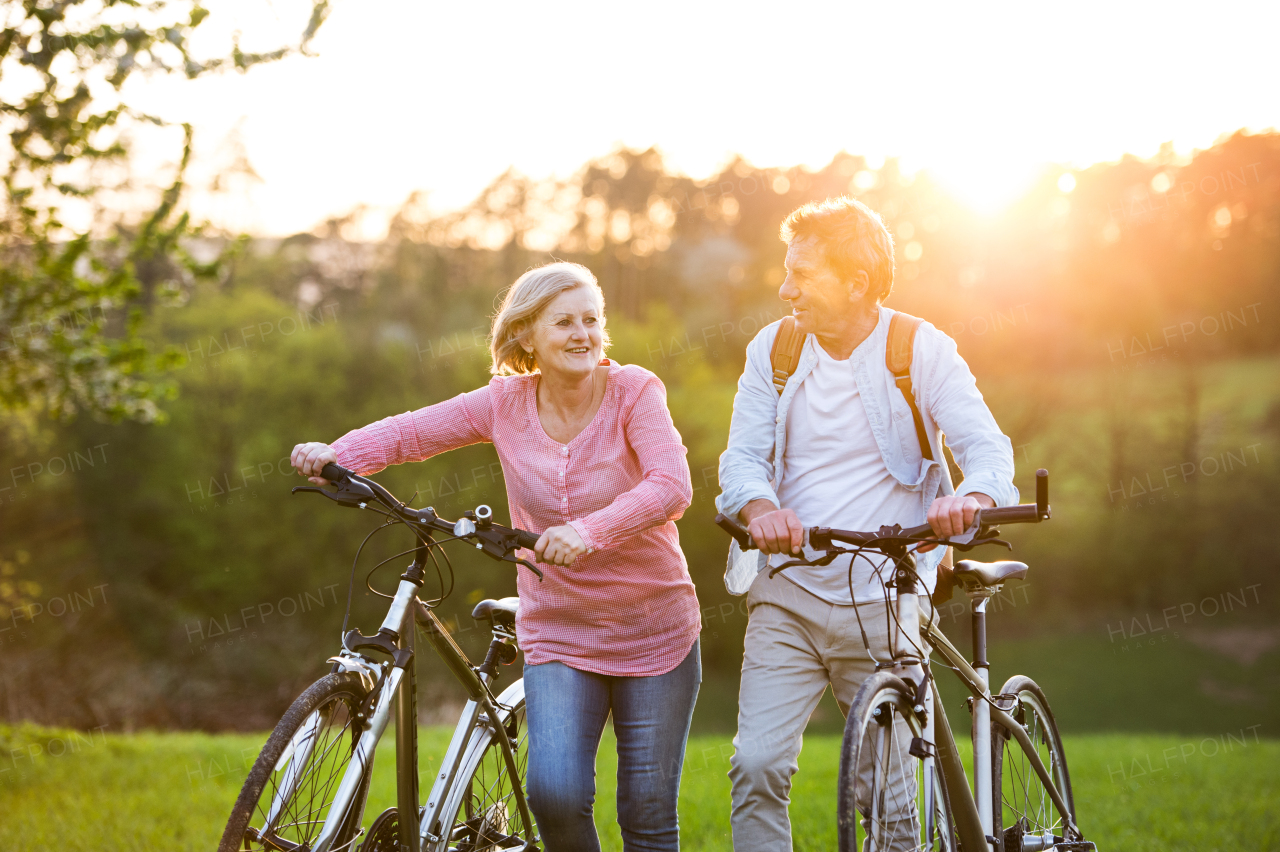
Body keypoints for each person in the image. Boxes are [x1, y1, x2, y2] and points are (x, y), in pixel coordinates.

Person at [291, 262, 701, 852]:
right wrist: (338, 455)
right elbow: (414, 431)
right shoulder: (505, 402)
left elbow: (671, 486)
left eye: (592, 319)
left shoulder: (634, 390)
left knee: (647, 811)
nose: (582, 333)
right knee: (555, 797)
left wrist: (588, 531)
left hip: (653, 631)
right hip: (559, 630)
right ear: (526, 334)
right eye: (564, 322)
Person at [715, 197, 1018, 851]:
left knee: (888, 795)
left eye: (803, 273)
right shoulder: (775, 349)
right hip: (788, 596)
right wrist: (760, 508)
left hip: (886, 601)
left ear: (856, 281)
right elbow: (741, 456)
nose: (784, 287)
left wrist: (971, 496)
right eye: (785, 271)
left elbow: (987, 448)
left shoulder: (918, 348)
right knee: (757, 767)